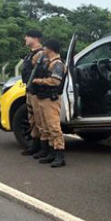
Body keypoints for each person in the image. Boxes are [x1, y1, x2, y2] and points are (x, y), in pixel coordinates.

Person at [30, 39, 67, 168]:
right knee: (45, 126)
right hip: (42, 97)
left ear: (50, 49)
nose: (43, 50)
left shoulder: (57, 64)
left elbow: (55, 81)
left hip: (51, 99)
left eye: (45, 47)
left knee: (54, 127)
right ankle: (51, 152)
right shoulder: (47, 62)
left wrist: (39, 81)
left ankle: (59, 154)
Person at [20, 30, 46, 156]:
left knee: (40, 120)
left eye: (27, 36)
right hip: (30, 90)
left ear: (35, 38)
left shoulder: (40, 54)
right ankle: (35, 145)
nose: (25, 38)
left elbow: (42, 72)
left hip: (37, 91)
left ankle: (44, 148)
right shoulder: (32, 54)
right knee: (32, 120)